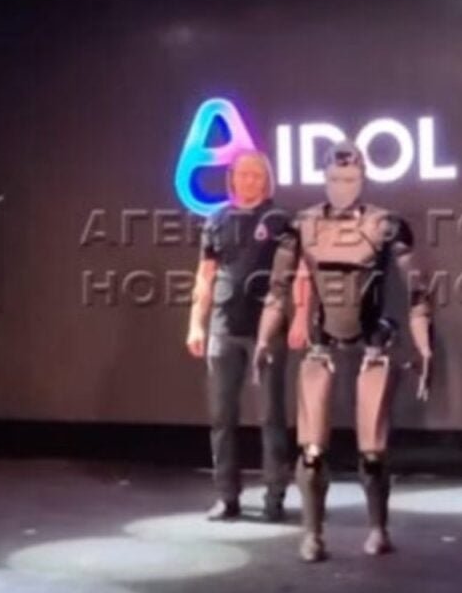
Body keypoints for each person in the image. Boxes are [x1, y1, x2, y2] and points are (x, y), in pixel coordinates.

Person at [254, 141, 434, 563]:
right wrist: (264, 338)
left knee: (373, 450)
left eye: (351, 178)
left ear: (363, 178)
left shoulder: (386, 224)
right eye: (335, 177)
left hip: (373, 341)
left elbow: (417, 293)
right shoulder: (302, 225)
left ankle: (378, 528)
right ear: (324, 178)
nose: (342, 185)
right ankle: (312, 533)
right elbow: (277, 292)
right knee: (312, 449)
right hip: (322, 341)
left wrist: (425, 348)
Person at [186, 151, 292, 522]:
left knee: (271, 416)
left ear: (266, 180)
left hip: (267, 330)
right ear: (232, 178)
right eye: (243, 174)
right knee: (221, 416)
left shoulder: (280, 220)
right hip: (223, 328)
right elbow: (205, 276)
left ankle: (275, 496)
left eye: (256, 175)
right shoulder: (216, 220)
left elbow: (295, 276)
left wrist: (296, 322)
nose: (249, 180)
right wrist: (195, 323)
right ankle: (226, 495)